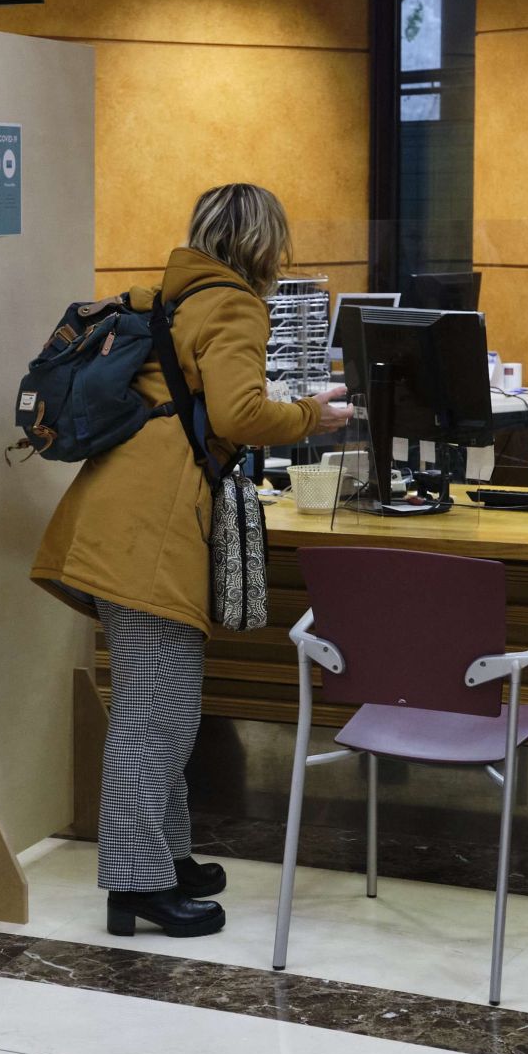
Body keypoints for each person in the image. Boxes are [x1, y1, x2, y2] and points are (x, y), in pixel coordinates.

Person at [31, 183, 353, 939]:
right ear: (262, 244)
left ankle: (166, 859)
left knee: (163, 705)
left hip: (120, 512)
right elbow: (242, 415)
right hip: (154, 528)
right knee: (154, 717)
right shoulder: (235, 303)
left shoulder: (170, 294)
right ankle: (136, 885)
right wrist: (312, 414)